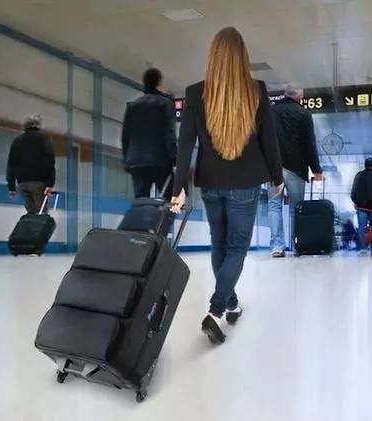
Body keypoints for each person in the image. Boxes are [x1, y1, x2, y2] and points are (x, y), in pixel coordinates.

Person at [170, 27, 284, 344]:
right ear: (242, 57)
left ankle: (231, 304)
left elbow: (185, 146)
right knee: (236, 248)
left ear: (213, 57)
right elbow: (270, 142)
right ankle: (217, 309)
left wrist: (178, 187)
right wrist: (277, 178)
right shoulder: (256, 90)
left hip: (210, 181)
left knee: (219, 243)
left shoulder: (195, 93)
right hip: (245, 182)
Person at [268, 84, 324, 258]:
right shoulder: (304, 114)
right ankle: (296, 245)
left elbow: (263, 140)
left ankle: (277, 247)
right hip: (296, 169)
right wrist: (316, 170)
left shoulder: (271, 112)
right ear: (300, 97)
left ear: (285, 94)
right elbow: (309, 143)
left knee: (274, 206)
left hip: (274, 168)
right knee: (296, 208)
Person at [122, 68, 177, 199]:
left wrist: (126, 159)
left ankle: (142, 213)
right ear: (158, 82)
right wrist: (174, 157)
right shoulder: (165, 104)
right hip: (160, 160)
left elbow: (125, 136)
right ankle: (164, 213)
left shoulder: (133, 106)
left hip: (137, 161)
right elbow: (169, 134)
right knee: (169, 200)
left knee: (140, 201)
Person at [6, 114, 56, 213]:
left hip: (22, 183)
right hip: (39, 183)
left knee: (31, 214)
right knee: (42, 214)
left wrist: (11, 187)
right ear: (39, 125)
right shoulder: (44, 139)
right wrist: (50, 184)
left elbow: (11, 164)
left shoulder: (17, 141)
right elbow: (50, 162)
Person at [351, 157, 372, 251]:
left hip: (361, 207)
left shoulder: (359, 175)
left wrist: (355, 201)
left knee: (361, 227)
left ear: (365, 165)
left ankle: (363, 248)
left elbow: (354, 190)